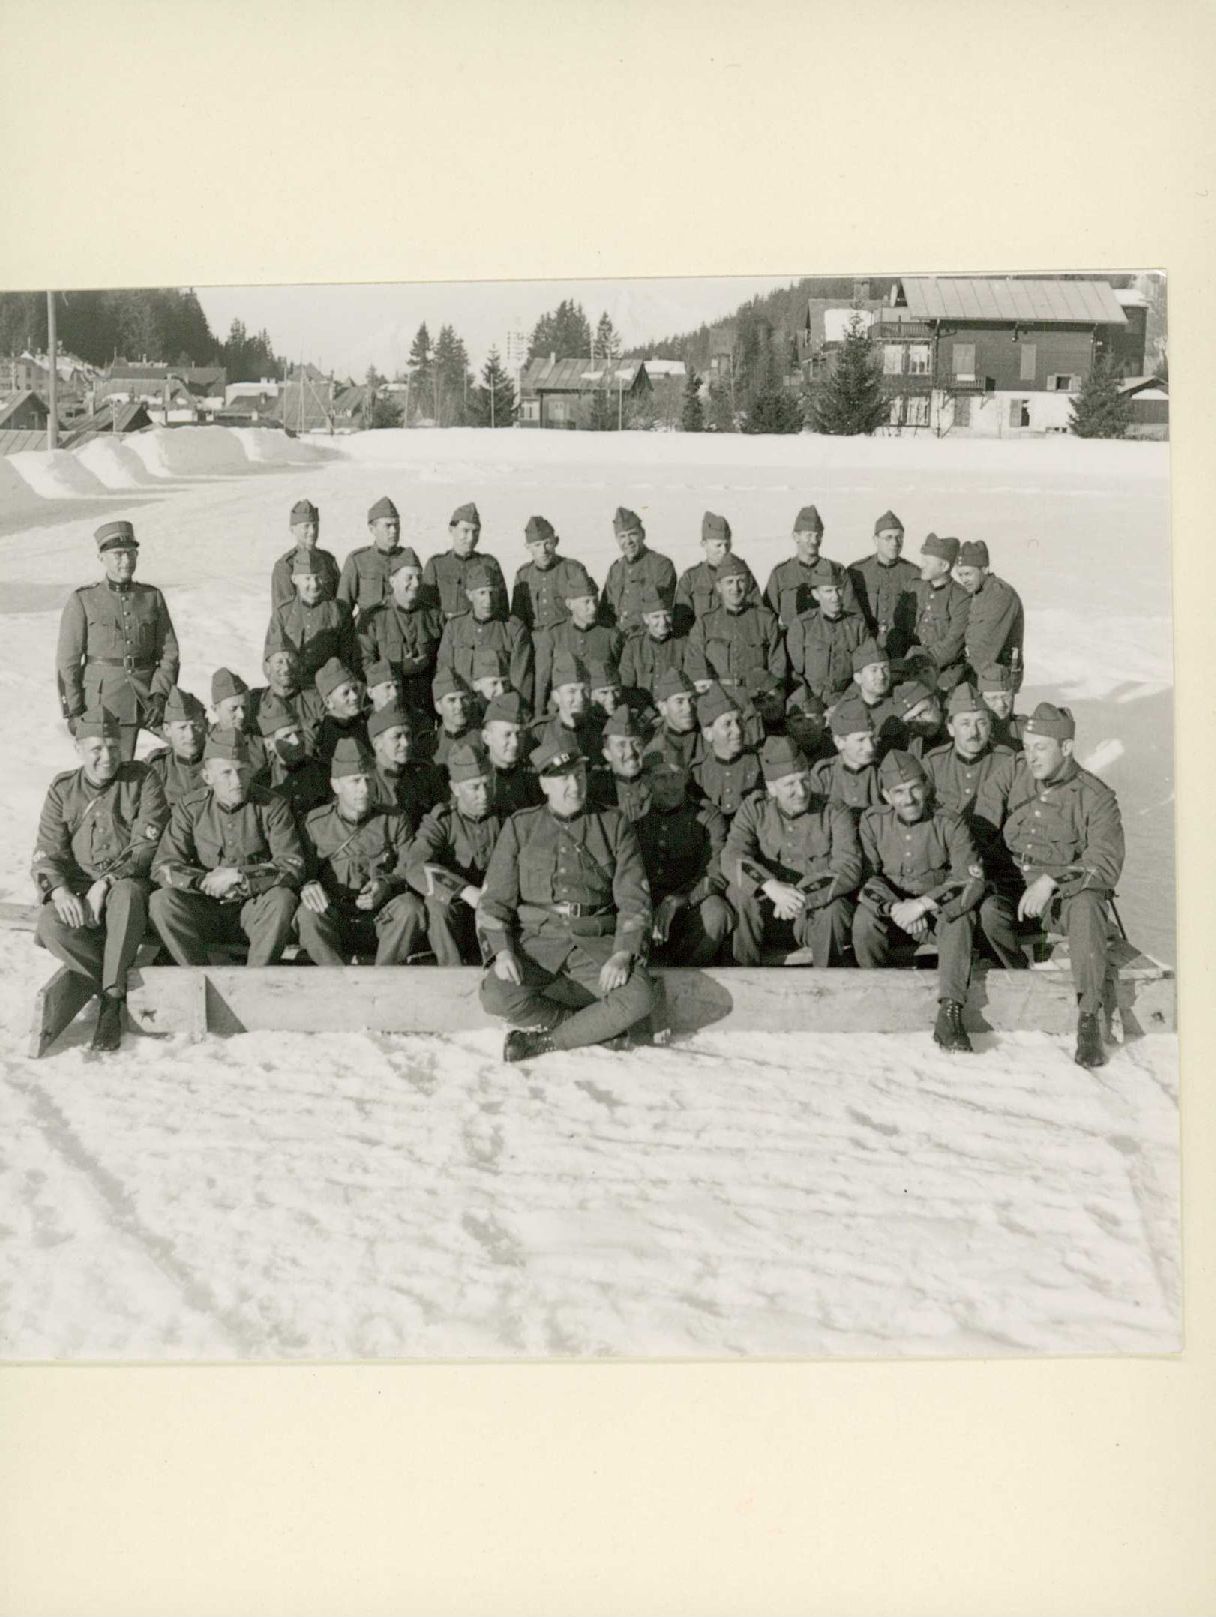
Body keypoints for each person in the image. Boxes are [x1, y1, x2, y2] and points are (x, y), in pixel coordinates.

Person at [477, 734, 656, 1063]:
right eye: (563, 779)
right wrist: (502, 952)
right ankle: (591, 1029)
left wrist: (622, 953)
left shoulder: (613, 824)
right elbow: (493, 902)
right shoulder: (521, 827)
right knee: (495, 997)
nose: (574, 786)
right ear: (544, 785)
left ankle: (545, 1042)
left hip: (595, 942)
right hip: (539, 943)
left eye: (579, 776)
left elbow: (635, 900)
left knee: (640, 995)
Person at [31, 705, 169, 1051]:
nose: (106, 757)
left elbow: (146, 845)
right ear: (78, 749)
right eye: (96, 749)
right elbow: (47, 851)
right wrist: (60, 892)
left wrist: (106, 882)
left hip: (127, 883)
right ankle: (110, 978)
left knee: (126, 895)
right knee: (50, 923)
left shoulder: (142, 779)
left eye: (113, 747)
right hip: (81, 891)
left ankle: (112, 1000)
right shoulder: (63, 789)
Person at [999, 703, 1125, 1069]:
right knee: (988, 911)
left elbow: (1105, 862)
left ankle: (1088, 1016)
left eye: (1041, 748)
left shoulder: (1096, 797)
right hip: (1011, 887)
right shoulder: (1015, 774)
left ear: (1066, 748)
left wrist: (1051, 880)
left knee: (1088, 905)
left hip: (1059, 900)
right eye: (1027, 747)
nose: (1031, 757)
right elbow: (982, 825)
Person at [853, 749, 986, 1054]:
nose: (909, 799)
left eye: (914, 788)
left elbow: (970, 879)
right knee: (863, 920)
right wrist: (894, 908)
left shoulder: (949, 822)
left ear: (926, 786)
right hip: (895, 917)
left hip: (934, 917)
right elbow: (866, 879)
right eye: (899, 792)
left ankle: (950, 1013)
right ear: (887, 796)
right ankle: (878, 996)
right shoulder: (873, 823)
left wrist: (923, 904)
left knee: (961, 917)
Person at [149, 727, 305, 966]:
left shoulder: (272, 807)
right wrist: (202, 881)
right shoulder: (191, 809)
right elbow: (163, 866)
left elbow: (292, 865)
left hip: (253, 908)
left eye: (242, 771)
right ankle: (198, 977)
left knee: (281, 899)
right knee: (162, 901)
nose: (237, 781)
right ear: (207, 777)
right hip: (207, 908)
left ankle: (255, 980)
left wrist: (240, 876)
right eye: (226, 773)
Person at [722, 734, 861, 967]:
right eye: (790, 784)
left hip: (811, 915)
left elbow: (848, 867)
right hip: (766, 914)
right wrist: (770, 887)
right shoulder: (755, 809)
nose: (802, 791)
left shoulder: (834, 811)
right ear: (771, 788)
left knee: (835, 909)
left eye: (805, 780)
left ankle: (829, 982)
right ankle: (744, 979)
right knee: (738, 894)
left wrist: (797, 897)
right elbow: (731, 855)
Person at [56, 520, 180, 761]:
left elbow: (169, 652)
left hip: (151, 698)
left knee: (191, 743)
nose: (127, 561)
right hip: (105, 703)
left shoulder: (151, 596)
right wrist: (74, 711)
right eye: (118, 554)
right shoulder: (83, 600)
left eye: (132, 553)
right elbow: (67, 662)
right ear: (101, 558)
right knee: (114, 767)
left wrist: (160, 694)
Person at [296, 738, 425, 966]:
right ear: (336, 785)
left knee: (410, 908)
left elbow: (409, 869)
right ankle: (338, 981)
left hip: (381, 918)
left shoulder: (394, 820)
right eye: (355, 781)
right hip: (336, 916)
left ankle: (381, 979)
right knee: (308, 915)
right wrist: (309, 885)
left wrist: (385, 885)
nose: (364, 789)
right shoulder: (314, 824)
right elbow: (301, 872)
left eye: (369, 780)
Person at [923, 683, 1023, 968]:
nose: (973, 732)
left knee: (992, 914)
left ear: (991, 725)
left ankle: (1012, 973)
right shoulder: (933, 764)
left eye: (981, 722)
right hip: (947, 872)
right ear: (950, 727)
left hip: (995, 871)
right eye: (965, 723)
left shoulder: (1008, 762)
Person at [406, 741, 504, 965]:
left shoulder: (505, 818)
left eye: (487, 784)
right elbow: (415, 866)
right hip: (458, 916)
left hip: (497, 909)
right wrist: (465, 891)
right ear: (456, 788)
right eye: (474, 787)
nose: (484, 795)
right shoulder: (442, 821)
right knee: (436, 905)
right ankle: (453, 973)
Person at [634, 752, 733, 966]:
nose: (670, 785)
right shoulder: (635, 818)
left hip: (690, 906)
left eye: (675, 776)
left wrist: (683, 899)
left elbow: (715, 873)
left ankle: (687, 973)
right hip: (645, 906)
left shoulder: (708, 817)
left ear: (686, 778)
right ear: (648, 782)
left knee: (717, 913)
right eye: (661, 778)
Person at [357, 548, 444, 719]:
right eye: (409, 577)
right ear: (392, 581)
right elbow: (364, 664)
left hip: (426, 704)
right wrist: (399, 668)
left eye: (419, 577)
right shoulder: (373, 617)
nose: (416, 584)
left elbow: (445, 660)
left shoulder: (434, 615)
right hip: (389, 707)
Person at [684, 552, 788, 692]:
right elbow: (695, 665)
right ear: (719, 587)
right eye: (729, 582)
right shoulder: (705, 623)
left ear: (748, 584)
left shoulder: (765, 620)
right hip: (718, 697)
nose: (736, 588)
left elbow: (778, 666)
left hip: (756, 695)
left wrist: (769, 690)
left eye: (741, 581)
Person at [436, 558, 533, 707]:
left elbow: (520, 682)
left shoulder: (513, 629)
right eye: (482, 593)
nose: (488, 600)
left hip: (500, 709)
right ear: (469, 595)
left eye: (492, 593)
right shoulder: (454, 628)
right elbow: (444, 672)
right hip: (464, 707)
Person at [264, 548, 360, 687]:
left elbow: (348, 657)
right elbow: (269, 661)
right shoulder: (283, 613)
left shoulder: (338, 611)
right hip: (293, 686)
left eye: (318, 577)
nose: (314, 585)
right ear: (295, 579)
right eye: (308, 578)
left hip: (327, 687)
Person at [534, 566, 622, 711]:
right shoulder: (554, 634)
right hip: (561, 710)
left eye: (595, 601)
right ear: (570, 604)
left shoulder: (610, 634)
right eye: (586, 602)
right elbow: (542, 679)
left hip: (598, 710)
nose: (593, 608)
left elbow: (619, 677)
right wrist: (539, 713)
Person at [763, 504, 860, 629]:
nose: (814, 541)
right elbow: (766, 619)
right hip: (792, 639)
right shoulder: (781, 574)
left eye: (817, 535)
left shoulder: (836, 570)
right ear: (796, 537)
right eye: (808, 535)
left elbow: (853, 614)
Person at [785, 560, 868, 701]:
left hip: (847, 699)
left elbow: (864, 670)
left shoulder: (857, 625)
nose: (835, 597)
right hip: (810, 700)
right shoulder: (802, 625)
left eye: (838, 589)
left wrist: (845, 701)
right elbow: (795, 673)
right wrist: (811, 701)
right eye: (828, 591)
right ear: (816, 594)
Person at [846, 509, 921, 658]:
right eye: (888, 538)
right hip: (865, 648)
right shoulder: (857, 571)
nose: (895, 543)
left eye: (899, 537)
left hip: (901, 650)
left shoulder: (914, 574)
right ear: (875, 540)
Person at [509, 514, 593, 640]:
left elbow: (587, 612)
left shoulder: (573, 570)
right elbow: (518, 619)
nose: (543, 551)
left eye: (547, 543)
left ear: (556, 541)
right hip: (536, 642)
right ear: (528, 547)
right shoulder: (523, 575)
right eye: (537, 545)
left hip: (567, 640)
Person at [422, 502, 507, 623]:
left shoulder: (489, 564)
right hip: (443, 631)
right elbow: (426, 610)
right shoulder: (436, 565)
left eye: (475, 532)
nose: (471, 538)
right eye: (465, 531)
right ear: (452, 530)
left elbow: (502, 609)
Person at [954, 540, 1025, 682]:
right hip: (980, 671)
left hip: (996, 678)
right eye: (960, 575)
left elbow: (983, 648)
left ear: (985, 569)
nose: (964, 580)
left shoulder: (1000, 595)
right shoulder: (979, 592)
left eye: (968, 574)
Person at [674, 511, 760, 628]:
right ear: (704, 544)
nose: (724, 551)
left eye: (727, 545)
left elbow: (758, 615)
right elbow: (681, 623)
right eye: (718, 545)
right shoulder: (691, 578)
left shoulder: (743, 574)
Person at [368, 704, 447, 829]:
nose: (406, 743)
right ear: (378, 744)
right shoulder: (366, 781)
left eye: (408, 735)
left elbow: (443, 818)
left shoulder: (424, 773)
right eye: (397, 737)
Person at [908, 533, 971, 692]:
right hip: (913, 666)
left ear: (944, 566)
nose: (922, 565)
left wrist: (923, 661)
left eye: (927, 562)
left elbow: (954, 642)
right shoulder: (917, 588)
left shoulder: (961, 597)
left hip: (944, 674)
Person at [691, 682, 763, 820]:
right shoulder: (698, 773)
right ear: (708, 734)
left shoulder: (760, 762)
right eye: (727, 724)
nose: (737, 730)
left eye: (739, 721)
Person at [255, 693, 332, 819]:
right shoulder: (263, 783)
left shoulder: (324, 772)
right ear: (269, 744)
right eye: (287, 736)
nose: (296, 741)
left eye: (299, 732)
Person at [602, 507, 677, 635]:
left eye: (632, 534)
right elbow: (605, 611)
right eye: (622, 536)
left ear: (643, 534)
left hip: (646, 638)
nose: (628, 541)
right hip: (618, 637)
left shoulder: (661, 565)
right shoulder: (616, 569)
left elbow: (660, 609)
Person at [337, 495, 406, 622]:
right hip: (369, 629)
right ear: (372, 529)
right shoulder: (357, 560)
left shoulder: (407, 558)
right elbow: (343, 608)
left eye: (397, 525)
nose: (394, 530)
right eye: (388, 525)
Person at [809, 696, 882, 812]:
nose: (870, 747)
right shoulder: (824, 774)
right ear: (839, 742)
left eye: (872, 738)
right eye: (861, 740)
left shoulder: (881, 772)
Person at [530, 650, 605, 760]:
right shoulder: (540, 733)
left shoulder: (601, 730)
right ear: (556, 696)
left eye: (585, 690)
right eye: (572, 691)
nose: (580, 698)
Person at [248, 645, 326, 748]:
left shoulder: (314, 698)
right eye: (280, 662)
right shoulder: (255, 701)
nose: (287, 668)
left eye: (292, 661)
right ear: (267, 667)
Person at [270, 498, 340, 610]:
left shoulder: (328, 561)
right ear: (293, 529)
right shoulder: (285, 566)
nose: (312, 531)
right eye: (306, 526)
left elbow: (339, 603)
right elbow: (284, 611)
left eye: (315, 525)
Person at [618, 585, 687, 698]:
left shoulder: (683, 644)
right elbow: (626, 685)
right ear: (646, 619)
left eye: (667, 615)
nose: (663, 622)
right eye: (656, 617)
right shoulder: (634, 646)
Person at [480, 691, 542, 815]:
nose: (515, 743)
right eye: (507, 735)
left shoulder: (534, 776)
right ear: (487, 738)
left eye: (519, 734)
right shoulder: (476, 778)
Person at [145, 687, 208, 804]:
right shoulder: (159, 767)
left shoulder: (220, 759)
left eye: (196, 725)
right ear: (167, 730)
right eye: (182, 728)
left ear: (206, 724)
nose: (190, 735)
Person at [591, 704, 653, 821]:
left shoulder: (656, 786)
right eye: (621, 745)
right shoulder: (596, 791)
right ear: (607, 754)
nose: (631, 752)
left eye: (636, 744)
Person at [209, 668, 268, 775]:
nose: (242, 715)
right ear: (215, 709)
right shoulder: (205, 742)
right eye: (233, 709)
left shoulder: (261, 740)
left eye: (244, 707)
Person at [646, 667, 703, 773]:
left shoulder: (708, 736)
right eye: (679, 701)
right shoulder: (650, 739)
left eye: (691, 700)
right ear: (663, 707)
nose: (688, 708)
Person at [313, 658, 370, 763]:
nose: (354, 696)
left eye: (355, 689)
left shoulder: (365, 721)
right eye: (346, 693)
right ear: (328, 702)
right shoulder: (327, 739)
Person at [429, 668, 480, 770]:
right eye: (452, 700)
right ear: (438, 707)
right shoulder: (431, 743)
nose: (460, 706)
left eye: (464, 698)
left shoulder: (483, 739)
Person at [977, 663, 1026, 751]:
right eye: (993, 698)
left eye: (1006, 697)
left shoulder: (1023, 728)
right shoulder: (973, 730)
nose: (1001, 704)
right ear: (981, 699)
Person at [785, 685, 832, 765]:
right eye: (799, 720)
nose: (806, 727)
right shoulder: (779, 753)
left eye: (812, 719)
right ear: (788, 725)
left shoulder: (839, 750)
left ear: (824, 722)